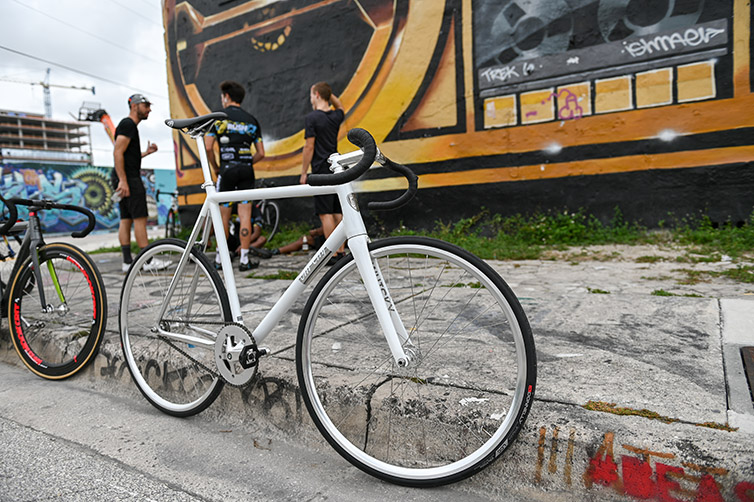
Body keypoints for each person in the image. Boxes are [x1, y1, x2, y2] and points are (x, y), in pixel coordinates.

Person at [205, 80, 265, 271]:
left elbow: (207, 146)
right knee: (245, 214)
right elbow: (261, 153)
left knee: (223, 215)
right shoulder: (252, 120)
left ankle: (220, 260)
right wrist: (246, 162)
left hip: (227, 169)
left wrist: (216, 166)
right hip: (247, 171)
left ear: (227, 97)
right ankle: (245, 260)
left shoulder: (219, 117)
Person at [113, 93, 167, 273]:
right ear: (135, 106)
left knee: (126, 219)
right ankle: (148, 261)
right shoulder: (128, 125)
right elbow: (117, 152)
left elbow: (128, 156)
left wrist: (146, 153)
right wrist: (124, 180)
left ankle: (127, 261)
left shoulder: (128, 126)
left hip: (124, 176)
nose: (149, 109)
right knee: (139, 219)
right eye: (146, 105)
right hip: (128, 178)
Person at [300, 82, 345, 266]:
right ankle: (341, 252)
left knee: (325, 213)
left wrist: (304, 172)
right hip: (336, 166)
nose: (310, 99)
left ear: (317, 95)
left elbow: (309, 146)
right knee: (337, 212)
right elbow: (341, 106)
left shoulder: (312, 118)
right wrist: (330, 94)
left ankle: (332, 254)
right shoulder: (335, 116)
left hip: (320, 168)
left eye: (312, 95)